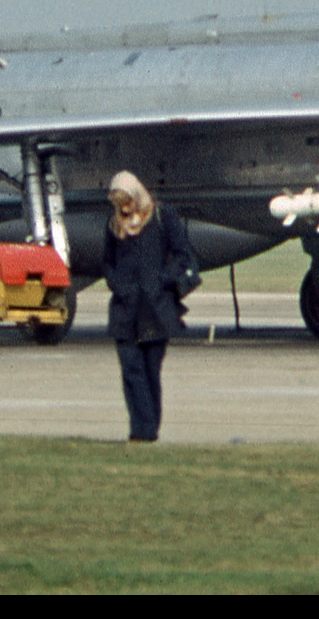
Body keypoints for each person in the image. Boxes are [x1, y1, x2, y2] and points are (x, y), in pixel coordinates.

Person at [101, 171, 199, 442]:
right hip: (125, 310)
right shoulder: (113, 225)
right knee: (131, 371)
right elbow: (107, 263)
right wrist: (118, 284)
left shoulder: (162, 217)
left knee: (150, 372)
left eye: (128, 202)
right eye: (119, 204)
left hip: (157, 310)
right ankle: (140, 432)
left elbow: (182, 255)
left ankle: (149, 430)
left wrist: (161, 281)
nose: (125, 209)